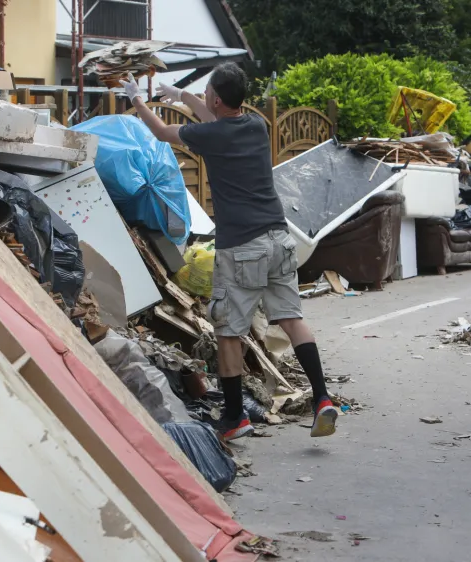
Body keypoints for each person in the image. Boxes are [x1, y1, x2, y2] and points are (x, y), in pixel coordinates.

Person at [120, 64, 338, 441]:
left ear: (217, 99)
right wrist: (181, 95)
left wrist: (136, 99)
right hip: (278, 239)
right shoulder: (254, 126)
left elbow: (159, 131)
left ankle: (235, 417)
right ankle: (322, 397)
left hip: (242, 247)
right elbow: (213, 120)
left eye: (206, 92)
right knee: (290, 318)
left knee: (229, 332)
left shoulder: (212, 134)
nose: (203, 97)